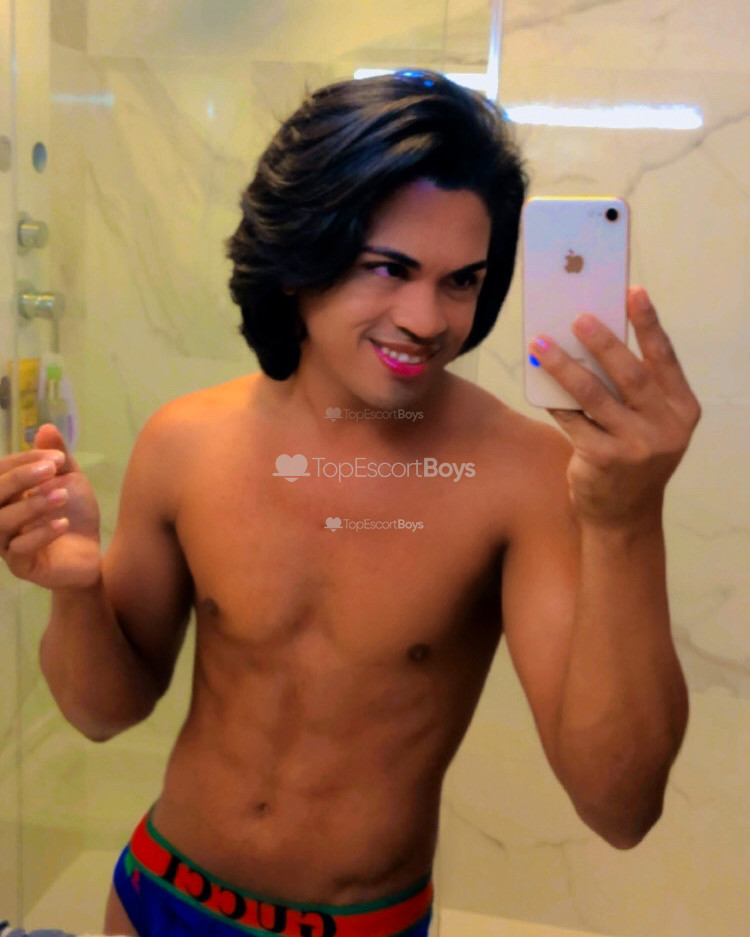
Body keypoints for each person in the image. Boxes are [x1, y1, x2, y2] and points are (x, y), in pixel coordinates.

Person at [0, 71, 700, 937]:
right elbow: (102, 714)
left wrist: (627, 519)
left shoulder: (523, 476)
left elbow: (621, 807)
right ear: (301, 256)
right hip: (160, 896)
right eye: (389, 268)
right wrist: (76, 590)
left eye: (461, 281)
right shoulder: (185, 441)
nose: (427, 319)